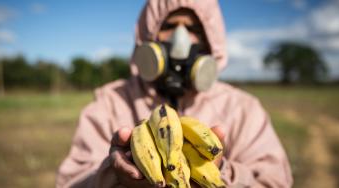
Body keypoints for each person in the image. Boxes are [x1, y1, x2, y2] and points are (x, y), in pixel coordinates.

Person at [56, 0, 293, 187]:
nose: (181, 38)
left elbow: (275, 181)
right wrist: (113, 176)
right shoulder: (110, 101)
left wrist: (220, 175)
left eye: (194, 28)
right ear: (148, 34)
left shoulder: (243, 108)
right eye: (169, 25)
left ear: (211, 41)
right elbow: (70, 182)